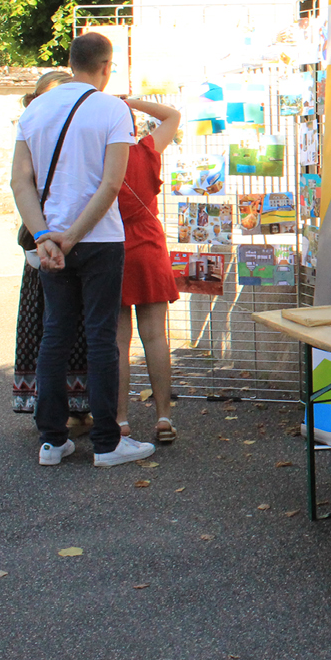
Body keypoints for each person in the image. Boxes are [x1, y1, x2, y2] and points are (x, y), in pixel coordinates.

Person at [11, 32, 154, 467]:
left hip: (51, 240)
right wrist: (73, 237)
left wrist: (45, 237)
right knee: (101, 338)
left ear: (70, 62)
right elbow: (111, 184)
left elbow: (20, 181)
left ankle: (52, 441)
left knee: (54, 335)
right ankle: (109, 443)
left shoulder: (36, 109)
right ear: (106, 67)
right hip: (99, 240)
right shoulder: (112, 109)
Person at [12, 71, 91, 428]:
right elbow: (21, 184)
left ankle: (77, 407)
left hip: (75, 239)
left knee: (73, 328)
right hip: (48, 242)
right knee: (51, 327)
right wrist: (43, 235)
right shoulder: (32, 129)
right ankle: (51, 410)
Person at [115, 98, 182, 443]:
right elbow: (172, 115)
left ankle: (121, 420)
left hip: (113, 246)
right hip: (150, 245)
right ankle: (164, 417)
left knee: (118, 342)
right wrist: (131, 101)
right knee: (155, 337)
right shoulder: (146, 149)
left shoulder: (100, 157)